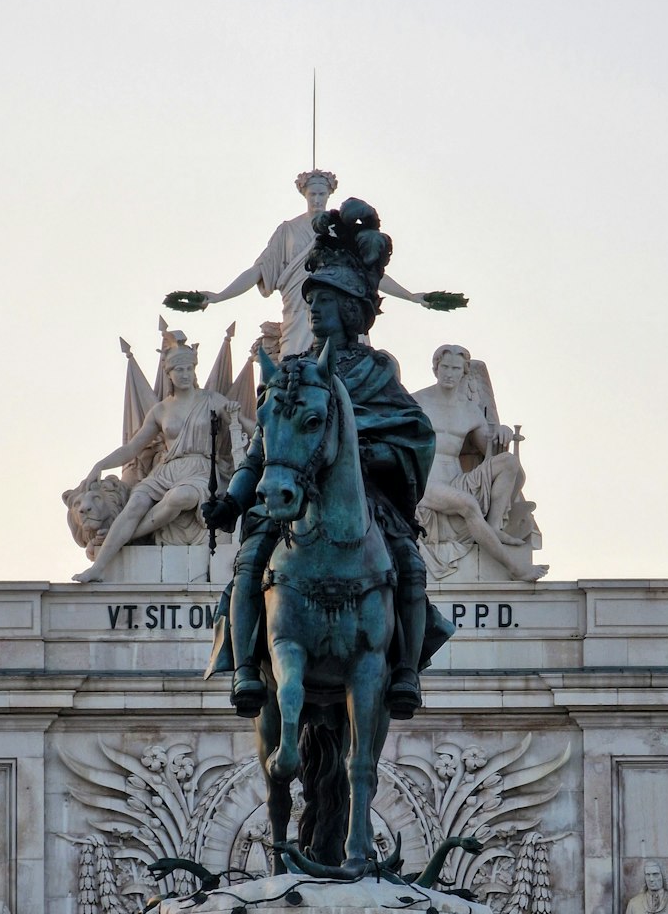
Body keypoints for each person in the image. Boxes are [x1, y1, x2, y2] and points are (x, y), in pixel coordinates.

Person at [205, 197, 451, 719]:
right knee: (250, 560)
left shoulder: (377, 371)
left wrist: (367, 453)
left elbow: (415, 438)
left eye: (324, 299)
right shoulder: (292, 371)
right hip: (293, 501)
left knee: (408, 563)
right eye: (311, 299)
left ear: (350, 308)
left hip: (368, 503)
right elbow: (260, 449)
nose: (312, 307)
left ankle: (405, 672)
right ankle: (246, 665)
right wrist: (231, 500)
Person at [198, 170, 430, 361]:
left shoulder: (340, 229)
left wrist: (410, 296)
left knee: (347, 369)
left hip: (338, 313)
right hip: (299, 314)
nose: (317, 199)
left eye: (322, 194)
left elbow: (370, 273)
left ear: (329, 194)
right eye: (312, 194)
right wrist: (219, 296)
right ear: (304, 194)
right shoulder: (287, 231)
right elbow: (258, 270)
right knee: (292, 375)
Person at [71, 340, 251, 581]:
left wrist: (235, 413)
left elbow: (252, 428)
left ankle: (128, 537)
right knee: (135, 505)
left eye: (189, 368)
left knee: (180, 497)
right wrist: (100, 465)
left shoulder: (211, 399)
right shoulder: (160, 410)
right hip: (166, 472)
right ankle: (98, 568)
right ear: (169, 373)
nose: (185, 374)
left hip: (199, 469)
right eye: (179, 369)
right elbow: (133, 447)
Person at [412, 345, 547, 581]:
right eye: (444, 367)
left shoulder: (469, 410)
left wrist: (502, 432)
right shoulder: (417, 401)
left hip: (456, 481)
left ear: (464, 372)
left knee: (509, 462)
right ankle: (514, 567)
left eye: (455, 368)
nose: (449, 373)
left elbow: (490, 450)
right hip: (426, 484)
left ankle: (493, 526)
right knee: (467, 503)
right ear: (435, 368)